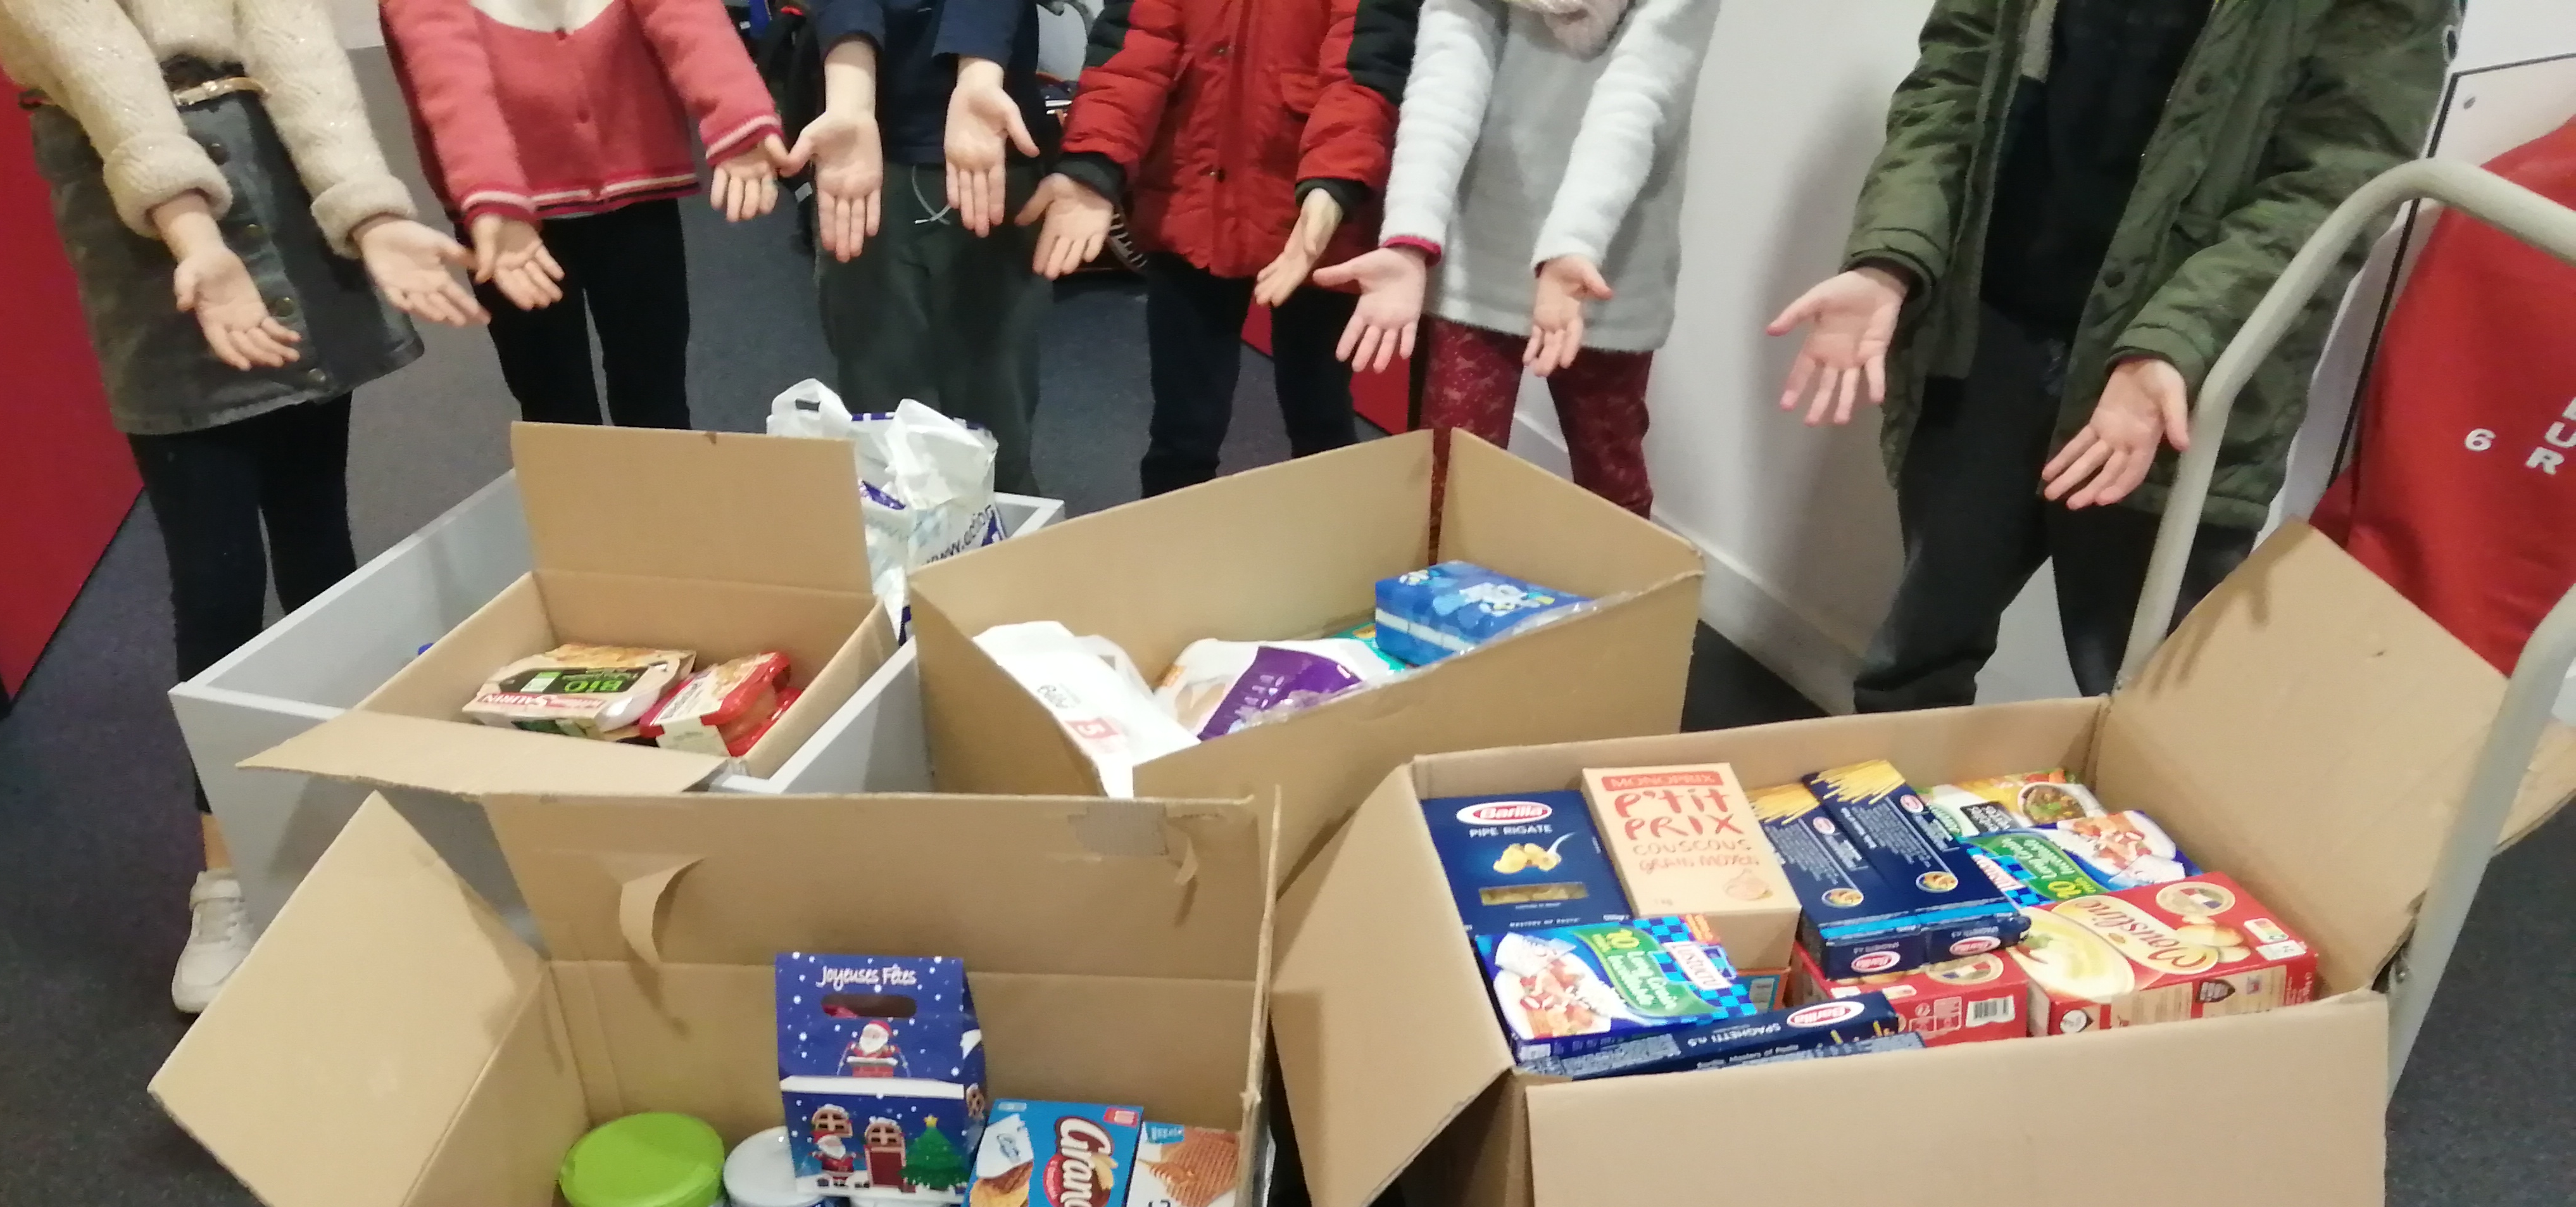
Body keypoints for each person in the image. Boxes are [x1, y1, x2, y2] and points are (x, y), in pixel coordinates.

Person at [0, 0, 485, 1012]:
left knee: (319, 541)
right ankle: (230, 872)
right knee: (216, 580)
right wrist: (192, 232)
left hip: (276, 172)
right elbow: (94, 55)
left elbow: (292, 37)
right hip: (141, 214)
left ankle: (358, 807)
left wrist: (365, 207)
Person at [1771, 0, 2452, 712]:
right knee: (1918, 649)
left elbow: (2333, 180)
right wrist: (1892, 253)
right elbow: (1957, 71)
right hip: (1992, 329)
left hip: (2179, 377)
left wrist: (2174, 341)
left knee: (2152, 704)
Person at [1316, 0, 1725, 522]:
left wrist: (1573, 242)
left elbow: (1638, 96)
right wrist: (1410, 233)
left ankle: (1624, 583)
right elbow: (1446, 72)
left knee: (1610, 477)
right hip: (1481, 237)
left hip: (1606, 252)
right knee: (1448, 482)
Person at [1017, 0, 1419, 497]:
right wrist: (1094, 160)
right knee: (1182, 428)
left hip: (1314, 210)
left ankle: (1335, 535)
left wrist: (1336, 182)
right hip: (1191, 195)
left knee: (1320, 417)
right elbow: (1134, 48)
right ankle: (1172, 538)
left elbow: (1365, 67)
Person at [382, 0, 791, 429]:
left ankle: (660, 474)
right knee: (552, 402)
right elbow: (448, 73)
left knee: (656, 390)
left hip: (634, 185)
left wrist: (736, 111)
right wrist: (491, 190)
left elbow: (687, 17)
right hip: (506, 223)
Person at [784, 0, 1055, 495]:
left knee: (997, 408)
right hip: (863, 153)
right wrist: (852, 99)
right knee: (882, 411)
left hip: (990, 140)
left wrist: (977, 75)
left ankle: (1004, 526)